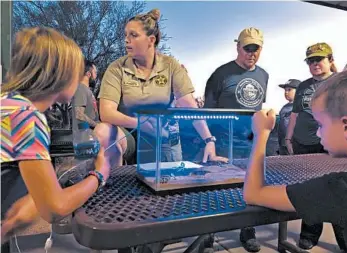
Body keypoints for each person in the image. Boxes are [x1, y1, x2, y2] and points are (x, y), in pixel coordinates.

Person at [0, 27, 111, 250]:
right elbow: (55, 208)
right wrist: (100, 174)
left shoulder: (9, 103)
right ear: (59, 74)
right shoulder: (26, 117)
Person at [243, 68, 347, 253]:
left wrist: (261, 134)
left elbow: (253, 193)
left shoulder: (341, 189)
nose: (318, 132)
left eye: (321, 124)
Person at [97, 9, 227, 164]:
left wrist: (209, 140)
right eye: (126, 35)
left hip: (162, 134)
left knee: (170, 179)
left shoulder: (171, 65)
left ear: (151, 40)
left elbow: (189, 106)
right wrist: (140, 123)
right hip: (129, 132)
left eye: (133, 35)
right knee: (102, 131)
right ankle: (113, 180)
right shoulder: (116, 68)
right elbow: (106, 113)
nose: (126, 40)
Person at [203, 27, 269, 253]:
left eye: (256, 48)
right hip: (222, 142)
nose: (251, 53)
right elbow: (207, 112)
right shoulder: (220, 74)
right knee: (214, 188)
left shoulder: (263, 75)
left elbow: (257, 109)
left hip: (250, 143)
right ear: (238, 47)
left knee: (250, 189)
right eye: (247, 48)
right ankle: (207, 235)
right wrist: (209, 141)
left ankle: (247, 231)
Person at [284, 42, 346, 250]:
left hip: (330, 146)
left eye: (319, 59)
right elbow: (295, 114)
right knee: (309, 190)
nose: (315, 64)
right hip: (303, 145)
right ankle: (309, 234)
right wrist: (288, 138)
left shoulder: (340, 83)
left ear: (331, 60)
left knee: (339, 189)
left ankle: (346, 239)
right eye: (310, 61)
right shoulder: (302, 86)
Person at [73, 60, 134, 166]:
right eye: (95, 72)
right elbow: (78, 114)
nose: (96, 76)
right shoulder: (81, 89)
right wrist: (99, 125)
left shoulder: (87, 91)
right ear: (88, 73)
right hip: (92, 137)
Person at [277, 79, 300, 155]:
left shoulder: (302, 106)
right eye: (285, 90)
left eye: (289, 90)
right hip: (283, 145)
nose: (286, 92)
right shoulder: (285, 107)